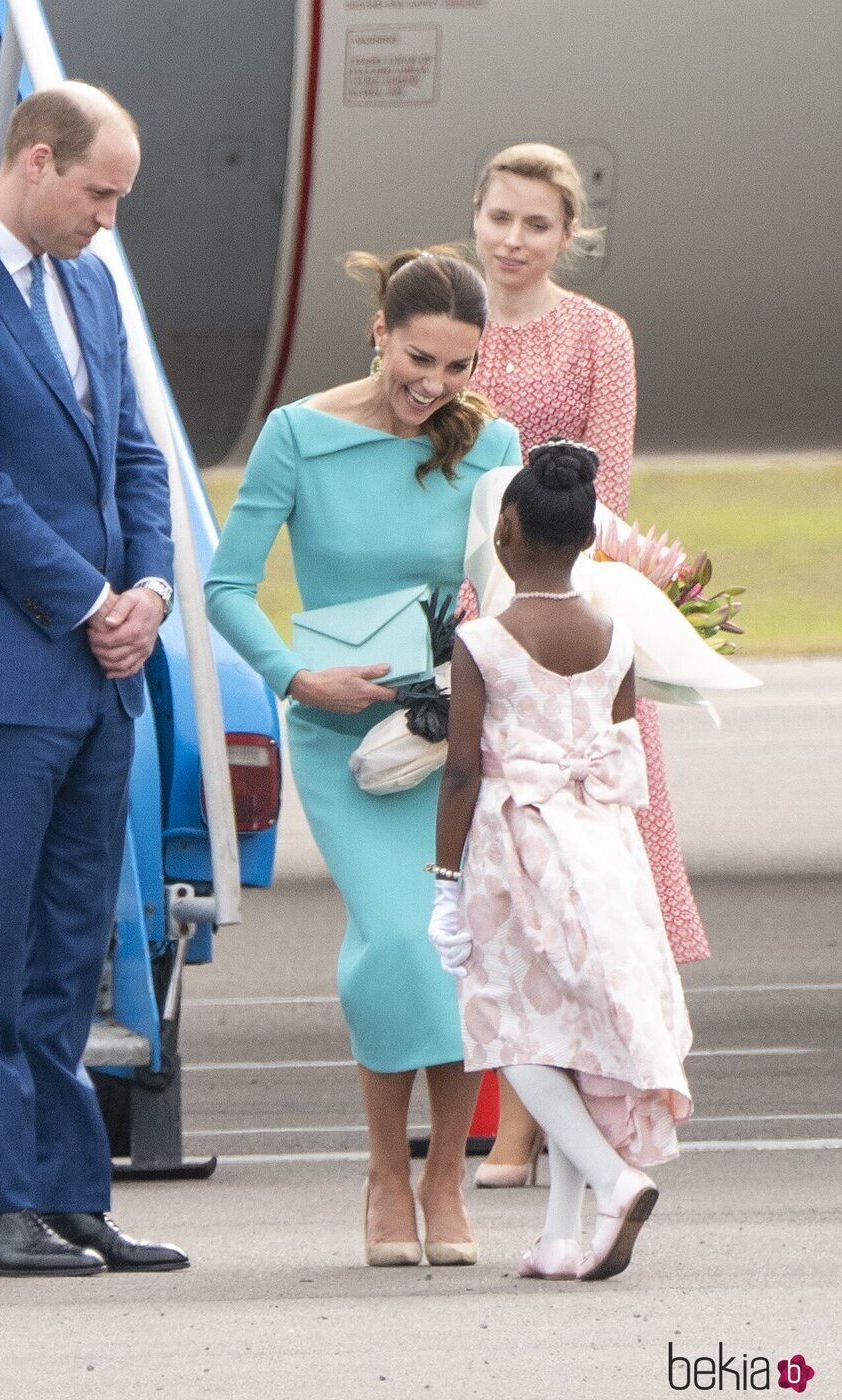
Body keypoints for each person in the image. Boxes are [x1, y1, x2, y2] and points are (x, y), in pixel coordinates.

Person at [0, 83, 189, 1277]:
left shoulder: (91, 282)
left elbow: (134, 455)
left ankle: (69, 1194)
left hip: (103, 668)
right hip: (12, 669)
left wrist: (151, 591)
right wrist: (88, 600)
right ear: (37, 160)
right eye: (99, 193)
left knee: (68, 943)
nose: (108, 220)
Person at [205, 248, 520, 1266]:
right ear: (377, 331)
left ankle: (443, 1179)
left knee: (457, 946)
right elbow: (227, 588)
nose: (434, 385)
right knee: (397, 939)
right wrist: (295, 677)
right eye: (417, 358)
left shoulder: (491, 444)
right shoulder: (297, 436)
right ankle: (387, 1168)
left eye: (458, 367)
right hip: (341, 733)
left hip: (448, 738)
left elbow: (506, 589)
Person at [464, 141, 708, 1187]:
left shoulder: (598, 334)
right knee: (506, 876)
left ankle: (544, 1123)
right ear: (472, 215)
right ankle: (521, 1108)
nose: (511, 240)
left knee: (588, 879)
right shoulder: (446, 320)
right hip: (476, 616)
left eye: (534, 224)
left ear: (569, 237)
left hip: (566, 618)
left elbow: (601, 486)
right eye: (498, 216)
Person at [428, 439, 692, 1281]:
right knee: (576, 1033)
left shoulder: (484, 641)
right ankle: (559, 1234)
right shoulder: (614, 636)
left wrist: (443, 882)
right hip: (604, 845)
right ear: (586, 540)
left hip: (520, 849)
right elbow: (617, 753)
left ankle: (616, 1181)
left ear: (505, 530)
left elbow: (463, 769)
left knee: (510, 1028)